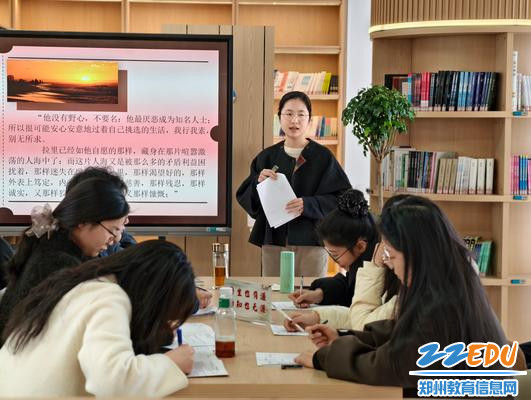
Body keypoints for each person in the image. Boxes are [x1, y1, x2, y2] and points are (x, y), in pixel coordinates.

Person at [294, 195, 509, 388]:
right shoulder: (445, 279)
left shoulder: (443, 300)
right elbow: (402, 331)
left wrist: (324, 358)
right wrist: (343, 337)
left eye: (391, 255)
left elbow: (392, 365)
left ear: (415, 253)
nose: (387, 263)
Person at [0, 240, 197, 397]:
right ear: (153, 295)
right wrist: (171, 363)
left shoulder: (88, 282)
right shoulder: (108, 297)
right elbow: (113, 384)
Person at [0, 177, 130, 344]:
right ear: (84, 222)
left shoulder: (49, 242)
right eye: (113, 231)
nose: (114, 240)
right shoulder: (62, 264)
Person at [236, 91, 351, 277]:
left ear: (309, 120)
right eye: (288, 113)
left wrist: (309, 204)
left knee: (310, 291)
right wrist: (258, 183)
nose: (294, 120)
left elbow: (342, 199)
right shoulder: (267, 157)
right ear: (279, 118)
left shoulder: (323, 157)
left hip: (312, 241)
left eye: (301, 114)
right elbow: (246, 199)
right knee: (274, 290)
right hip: (274, 241)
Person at [65, 167, 212, 310]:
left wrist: (183, 289)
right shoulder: (65, 262)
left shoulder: (108, 241)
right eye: (117, 207)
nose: (125, 219)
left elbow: (140, 269)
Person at [284, 189, 399, 331]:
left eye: (335, 254)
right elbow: (351, 290)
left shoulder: (383, 268)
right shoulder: (369, 258)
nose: (385, 258)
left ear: (360, 246)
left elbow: (363, 320)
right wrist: (319, 296)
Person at [65, 167, 136, 256]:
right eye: (117, 206)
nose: (127, 220)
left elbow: (135, 258)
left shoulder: (102, 240)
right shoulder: (98, 240)